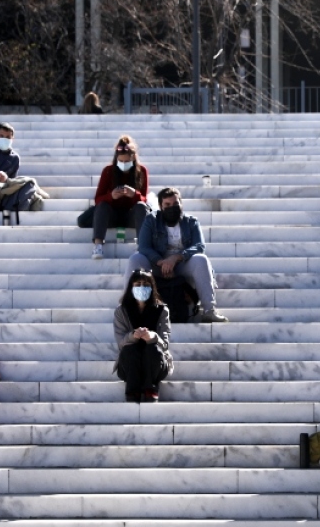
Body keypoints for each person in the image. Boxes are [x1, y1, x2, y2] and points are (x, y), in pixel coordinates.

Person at [126, 187, 229, 323]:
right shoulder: (151, 220)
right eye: (167, 205)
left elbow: (199, 246)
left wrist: (176, 258)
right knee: (136, 258)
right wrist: (160, 261)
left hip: (181, 263)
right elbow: (144, 246)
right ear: (161, 206)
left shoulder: (191, 222)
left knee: (201, 259)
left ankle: (209, 310)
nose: (172, 207)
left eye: (175, 204)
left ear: (181, 204)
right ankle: (128, 310)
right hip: (158, 264)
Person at [114, 269, 173, 403]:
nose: (142, 287)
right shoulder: (121, 311)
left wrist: (152, 337)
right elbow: (121, 343)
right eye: (138, 284)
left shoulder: (162, 310)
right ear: (131, 287)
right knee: (130, 349)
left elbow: (164, 343)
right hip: (129, 365)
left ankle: (150, 389)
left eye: (146, 285)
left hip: (155, 365)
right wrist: (133, 336)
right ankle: (132, 392)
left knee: (152, 349)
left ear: (152, 287)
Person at [92, 135, 150, 259]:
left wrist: (134, 194)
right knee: (102, 205)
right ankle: (98, 245)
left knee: (141, 206)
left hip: (131, 215)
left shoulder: (142, 171)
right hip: (112, 215)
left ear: (133, 158)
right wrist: (111, 196)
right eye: (121, 161)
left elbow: (145, 199)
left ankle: (142, 246)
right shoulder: (108, 171)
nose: (123, 164)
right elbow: (98, 199)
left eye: (126, 161)